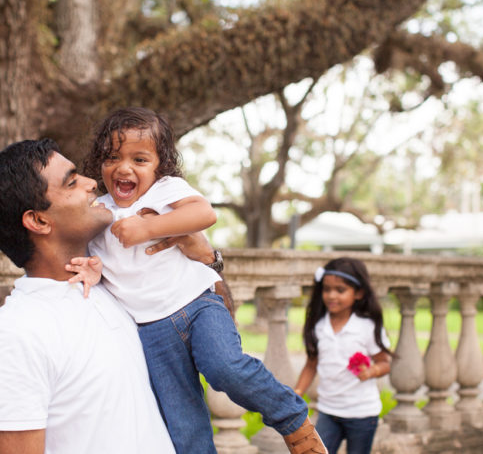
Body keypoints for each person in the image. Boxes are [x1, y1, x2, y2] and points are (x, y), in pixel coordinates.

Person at [74, 106, 327, 454]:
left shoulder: (163, 192)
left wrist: (146, 227)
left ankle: (292, 419)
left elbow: (204, 213)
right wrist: (93, 269)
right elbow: (106, 263)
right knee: (183, 423)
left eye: (140, 159)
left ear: (160, 166)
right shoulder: (99, 212)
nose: (124, 167)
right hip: (151, 332)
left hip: (197, 306)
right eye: (112, 157)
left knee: (225, 368)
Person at [0, 138, 219, 453]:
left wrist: (207, 257)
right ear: (38, 220)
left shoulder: (115, 285)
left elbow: (217, 319)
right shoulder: (14, 335)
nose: (93, 183)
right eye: (72, 182)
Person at [293, 257, 393, 454]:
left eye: (340, 290)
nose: (331, 295)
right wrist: (297, 392)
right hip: (328, 412)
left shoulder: (366, 326)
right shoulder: (319, 326)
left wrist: (371, 371)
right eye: (327, 289)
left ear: (358, 293)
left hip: (362, 414)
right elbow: (311, 364)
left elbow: (385, 363)